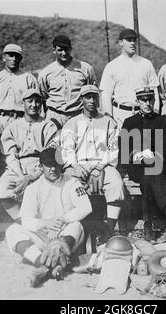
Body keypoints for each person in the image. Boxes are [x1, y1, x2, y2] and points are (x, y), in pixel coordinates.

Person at [5, 148, 92, 287]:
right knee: (12, 231)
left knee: (76, 225)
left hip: (64, 233)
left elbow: (86, 207)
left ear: (62, 165)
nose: (53, 169)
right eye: (48, 165)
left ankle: (48, 264)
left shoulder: (72, 183)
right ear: (41, 166)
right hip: (42, 236)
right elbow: (25, 219)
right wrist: (45, 223)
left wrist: (62, 220)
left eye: (56, 164)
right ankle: (44, 263)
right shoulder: (33, 188)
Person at [119, 86, 166, 238]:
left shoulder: (163, 121)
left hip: (161, 168)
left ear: (154, 101)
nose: (147, 103)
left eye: (150, 100)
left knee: (150, 177)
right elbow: (124, 153)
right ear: (137, 101)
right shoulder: (129, 122)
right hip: (137, 169)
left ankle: (148, 225)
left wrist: (153, 157)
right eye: (143, 100)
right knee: (148, 174)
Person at [61, 85, 125, 235]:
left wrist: (99, 167)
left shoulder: (108, 121)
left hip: (102, 164)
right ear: (81, 99)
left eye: (94, 97)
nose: (91, 100)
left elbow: (113, 149)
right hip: (78, 165)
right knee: (67, 184)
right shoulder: (72, 122)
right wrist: (76, 166)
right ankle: (73, 228)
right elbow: (67, 148)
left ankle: (108, 230)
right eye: (87, 97)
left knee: (116, 183)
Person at [0, 88, 60, 220]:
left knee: (44, 192)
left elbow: (49, 155)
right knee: (1, 191)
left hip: (41, 166)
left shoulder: (48, 125)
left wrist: (32, 175)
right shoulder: (13, 127)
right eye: (30, 101)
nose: (34, 105)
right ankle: (23, 221)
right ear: (22, 104)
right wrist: (20, 175)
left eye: (37, 101)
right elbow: (10, 155)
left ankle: (39, 223)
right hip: (17, 166)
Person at [99, 28, 159, 127]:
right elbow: (106, 94)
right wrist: (109, 116)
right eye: (129, 40)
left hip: (144, 113)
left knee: (147, 142)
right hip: (120, 114)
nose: (132, 43)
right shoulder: (112, 66)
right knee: (125, 142)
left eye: (134, 40)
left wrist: (155, 112)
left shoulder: (146, 64)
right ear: (121, 42)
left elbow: (155, 89)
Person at [38, 35, 96, 127]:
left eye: (67, 49)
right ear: (54, 50)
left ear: (71, 49)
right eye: (60, 50)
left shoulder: (85, 68)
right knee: (53, 141)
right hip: (55, 116)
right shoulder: (45, 73)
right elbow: (43, 95)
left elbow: (92, 92)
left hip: (78, 114)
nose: (64, 53)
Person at [0, 44, 39, 134]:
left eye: (17, 56)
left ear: (21, 59)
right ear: (4, 58)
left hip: (22, 120)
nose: (14, 59)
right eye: (11, 55)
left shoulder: (29, 78)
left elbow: (38, 105)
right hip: (0, 121)